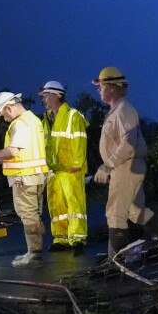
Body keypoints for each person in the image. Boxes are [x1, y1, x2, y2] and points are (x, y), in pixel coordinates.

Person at [91, 66, 158, 259]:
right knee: (135, 211)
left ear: (112, 87)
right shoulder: (116, 111)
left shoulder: (125, 109)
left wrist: (109, 165)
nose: (98, 90)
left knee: (115, 213)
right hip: (126, 166)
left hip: (126, 166)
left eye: (101, 86)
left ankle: (116, 263)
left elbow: (129, 142)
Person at [0, 91, 49, 269]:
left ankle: (34, 254)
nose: (5, 119)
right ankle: (35, 250)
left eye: (4, 114)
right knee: (33, 214)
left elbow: (13, 151)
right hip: (35, 175)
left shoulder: (20, 123)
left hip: (23, 177)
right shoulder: (34, 120)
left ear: (9, 108)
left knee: (27, 214)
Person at [39, 81, 89, 256]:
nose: (43, 99)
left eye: (46, 95)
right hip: (54, 170)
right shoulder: (46, 118)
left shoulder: (73, 115)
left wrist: (77, 163)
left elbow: (80, 139)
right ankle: (61, 237)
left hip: (70, 168)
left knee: (74, 202)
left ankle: (77, 238)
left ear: (57, 95)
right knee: (56, 204)